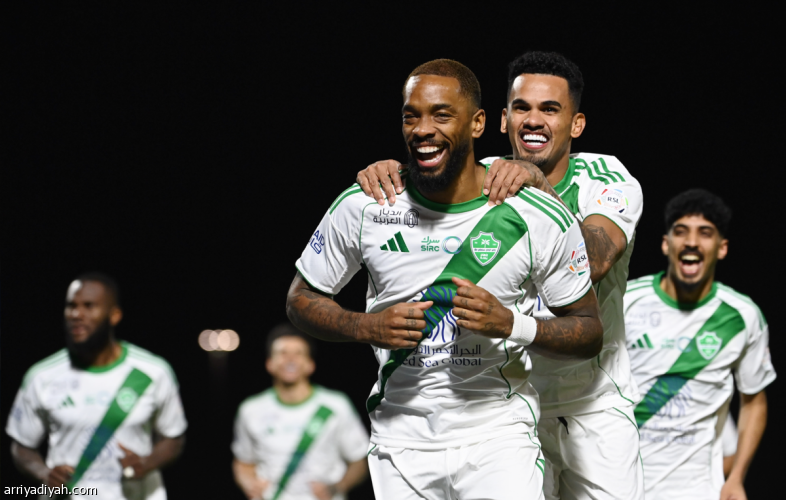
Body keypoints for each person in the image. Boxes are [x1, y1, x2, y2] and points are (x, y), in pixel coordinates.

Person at [287, 58, 604, 500]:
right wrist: (365, 326)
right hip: (399, 441)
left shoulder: (533, 213)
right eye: (410, 116)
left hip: (498, 436)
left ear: (477, 124)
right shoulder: (367, 204)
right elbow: (300, 300)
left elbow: (589, 331)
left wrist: (512, 324)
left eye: (441, 115)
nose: (422, 129)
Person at [355, 51, 644, 499]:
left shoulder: (606, 177)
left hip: (593, 405)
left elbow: (592, 262)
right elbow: (421, 199)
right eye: (522, 108)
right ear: (504, 120)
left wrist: (538, 189)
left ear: (576, 124)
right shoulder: (479, 177)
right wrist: (391, 174)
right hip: (506, 411)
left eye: (550, 109)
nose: (534, 120)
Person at [624, 189, 775, 499]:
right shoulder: (625, 300)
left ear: (722, 248)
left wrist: (737, 478)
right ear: (666, 244)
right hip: (620, 481)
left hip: (698, 489)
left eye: (705, 233)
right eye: (681, 231)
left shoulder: (741, 316)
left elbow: (754, 400)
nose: (692, 241)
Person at [6, 273, 187, 500]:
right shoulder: (41, 376)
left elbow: (174, 437)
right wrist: (44, 474)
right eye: (71, 306)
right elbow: (22, 446)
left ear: (114, 315)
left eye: (89, 306)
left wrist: (147, 463)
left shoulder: (153, 372)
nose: (76, 315)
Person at [231, 323, 369, 500]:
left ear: (310, 364)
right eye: (282, 353)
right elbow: (243, 463)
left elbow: (359, 462)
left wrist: (338, 487)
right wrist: (249, 485)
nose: (290, 359)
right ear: (269, 364)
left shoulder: (337, 405)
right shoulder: (250, 410)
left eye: (298, 353)